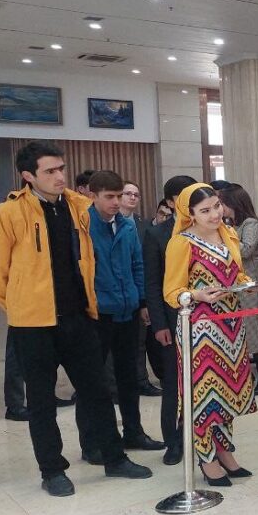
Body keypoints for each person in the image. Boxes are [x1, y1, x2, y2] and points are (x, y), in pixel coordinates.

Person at [0, 141, 152, 497]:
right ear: (28, 176)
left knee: (97, 391)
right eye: (50, 171)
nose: (60, 176)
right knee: (41, 401)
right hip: (33, 325)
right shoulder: (7, 214)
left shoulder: (77, 206)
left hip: (78, 317)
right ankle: (52, 470)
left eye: (61, 168)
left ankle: (114, 457)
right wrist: (20, 306)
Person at [163, 183, 257, 486]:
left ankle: (224, 451)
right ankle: (206, 458)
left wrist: (246, 283)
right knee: (205, 395)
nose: (215, 214)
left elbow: (235, 272)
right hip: (200, 330)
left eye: (217, 206)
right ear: (189, 214)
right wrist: (197, 295)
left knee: (226, 392)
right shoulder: (182, 243)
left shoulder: (227, 233)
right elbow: (172, 292)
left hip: (231, 326)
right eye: (205, 211)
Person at [82, 170, 163, 459]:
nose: (116, 202)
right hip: (98, 313)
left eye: (119, 196)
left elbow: (137, 265)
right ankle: (92, 443)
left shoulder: (127, 226)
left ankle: (133, 432)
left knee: (129, 376)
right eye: (110, 197)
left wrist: (142, 302)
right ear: (93, 195)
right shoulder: (83, 225)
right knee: (94, 380)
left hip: (128, 310)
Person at [143, 174, 198, 466]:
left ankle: (208, 437)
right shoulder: (157, 234)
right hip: (172, 319)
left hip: (207, 319)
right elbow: (152, 283)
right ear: (170, 202)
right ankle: (174, 442)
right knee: (174, 383)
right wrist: (160, 324)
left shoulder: (207, 230)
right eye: (182, 196)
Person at [218, 185, 258, 394]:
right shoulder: (230, 225)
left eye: (222, 203)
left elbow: (246, 250)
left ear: (233, 203)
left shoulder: (251, 224)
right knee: (236, 329)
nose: (220, 208)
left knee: (252, 328)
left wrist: (221, 241)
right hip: (232, 282)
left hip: (250, 282)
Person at [118, 180, 162, 398]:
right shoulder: (110, 222)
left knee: (140, 340)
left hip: (139, 288)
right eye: (128, 193)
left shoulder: (143, 225)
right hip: (116, 291)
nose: (132, 197)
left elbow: (144, 262)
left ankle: (141, 380)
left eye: (136, 194)